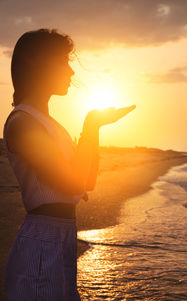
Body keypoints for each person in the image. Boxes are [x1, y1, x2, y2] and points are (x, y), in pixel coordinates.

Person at [3, 28, 136, 300]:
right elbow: (73, 182)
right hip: (41, 244)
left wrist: (94, 129)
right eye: (63, 61)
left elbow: (87, 182)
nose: (71, 72)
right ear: (35, 61)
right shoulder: (23, 123)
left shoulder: (49, 124)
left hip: (61, 239)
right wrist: (90, 124)